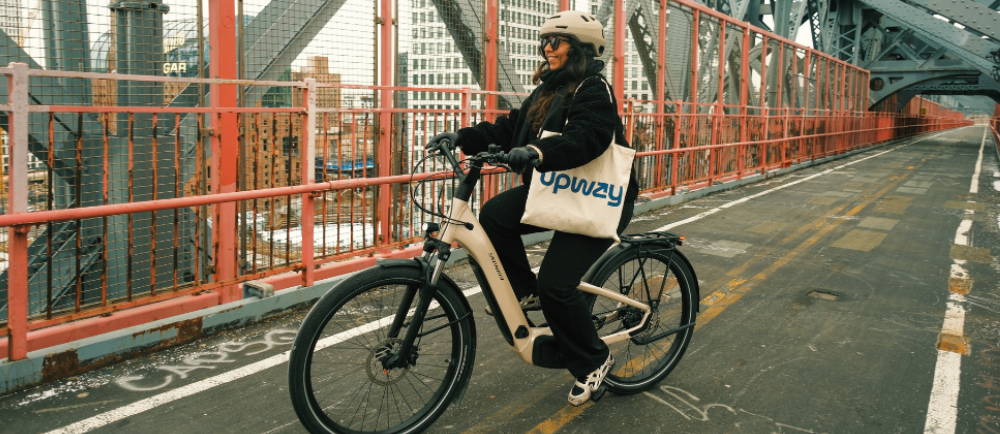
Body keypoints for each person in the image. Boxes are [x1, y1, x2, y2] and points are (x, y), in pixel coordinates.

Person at [428, 10, 639, 406]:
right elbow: (511, 127)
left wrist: (539, 152)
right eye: (544, 41)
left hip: (598, 198)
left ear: (578, 48)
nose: (546, 48)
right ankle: (526, 294)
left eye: (555, 42)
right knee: (493, 216)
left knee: (557, 285)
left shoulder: (593, 88)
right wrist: (463, 137)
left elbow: (588, 138)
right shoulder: (548, 90)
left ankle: (594, 359)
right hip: (558, 188)